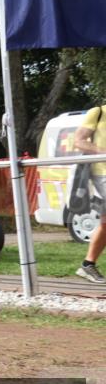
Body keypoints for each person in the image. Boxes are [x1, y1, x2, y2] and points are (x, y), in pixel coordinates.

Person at [74, 104, 106, 284]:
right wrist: (103, 152)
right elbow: (79, 141)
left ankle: (88, 264)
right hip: (102, 172)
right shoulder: (98, 112)